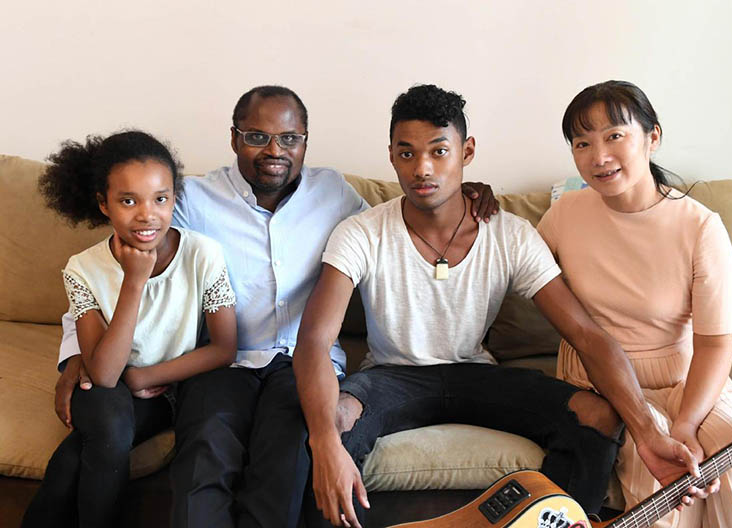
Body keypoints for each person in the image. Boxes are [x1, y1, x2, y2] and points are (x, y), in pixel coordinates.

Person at [50, 86, 501, 528]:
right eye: (257, 136)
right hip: (222, 363)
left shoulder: (335, 194)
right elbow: (115, 263)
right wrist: (76, 355)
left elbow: (400, 223)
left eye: (289, 138)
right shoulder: (192, 200)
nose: (274, 150)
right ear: (234, 138)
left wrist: (462, 193)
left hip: (305, 364)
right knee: (205, 452)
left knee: (285, 461)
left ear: (305, 141)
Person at [293, 84, 708, 528]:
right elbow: (314, 342)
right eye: (407, 153)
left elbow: (586, 335)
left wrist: (647, 432)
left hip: (479, 375)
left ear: (467, 151)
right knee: (332, 419)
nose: (423, 168)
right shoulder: (361, 232)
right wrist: (324, 441)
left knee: (597, 415)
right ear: (392, 156)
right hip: (392, 377)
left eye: (439, 150)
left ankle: (563, 521)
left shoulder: (509, 234)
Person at [537, 79, 732, 527]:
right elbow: (511, 267)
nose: (598, 156)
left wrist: (688, 424)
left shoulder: (700, 226)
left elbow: (716, 344)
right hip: (601, 379)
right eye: (582, 142)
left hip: (685, 376)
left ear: (652, 137)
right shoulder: (565, 215)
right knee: (655, 468)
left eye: (614, 136)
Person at [22, 131, 238, 528]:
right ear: (103, 204)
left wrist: (144, 377)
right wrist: (134, 281)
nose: (146, 214)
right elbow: (103, 374)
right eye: (128, 200)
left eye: (161, 198)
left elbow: (225, 347)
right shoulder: (82, 269)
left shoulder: (202, 254)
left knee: (76, 455)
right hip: (108, 389)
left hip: (164, 388)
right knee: (105, 426)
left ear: (175, 198)